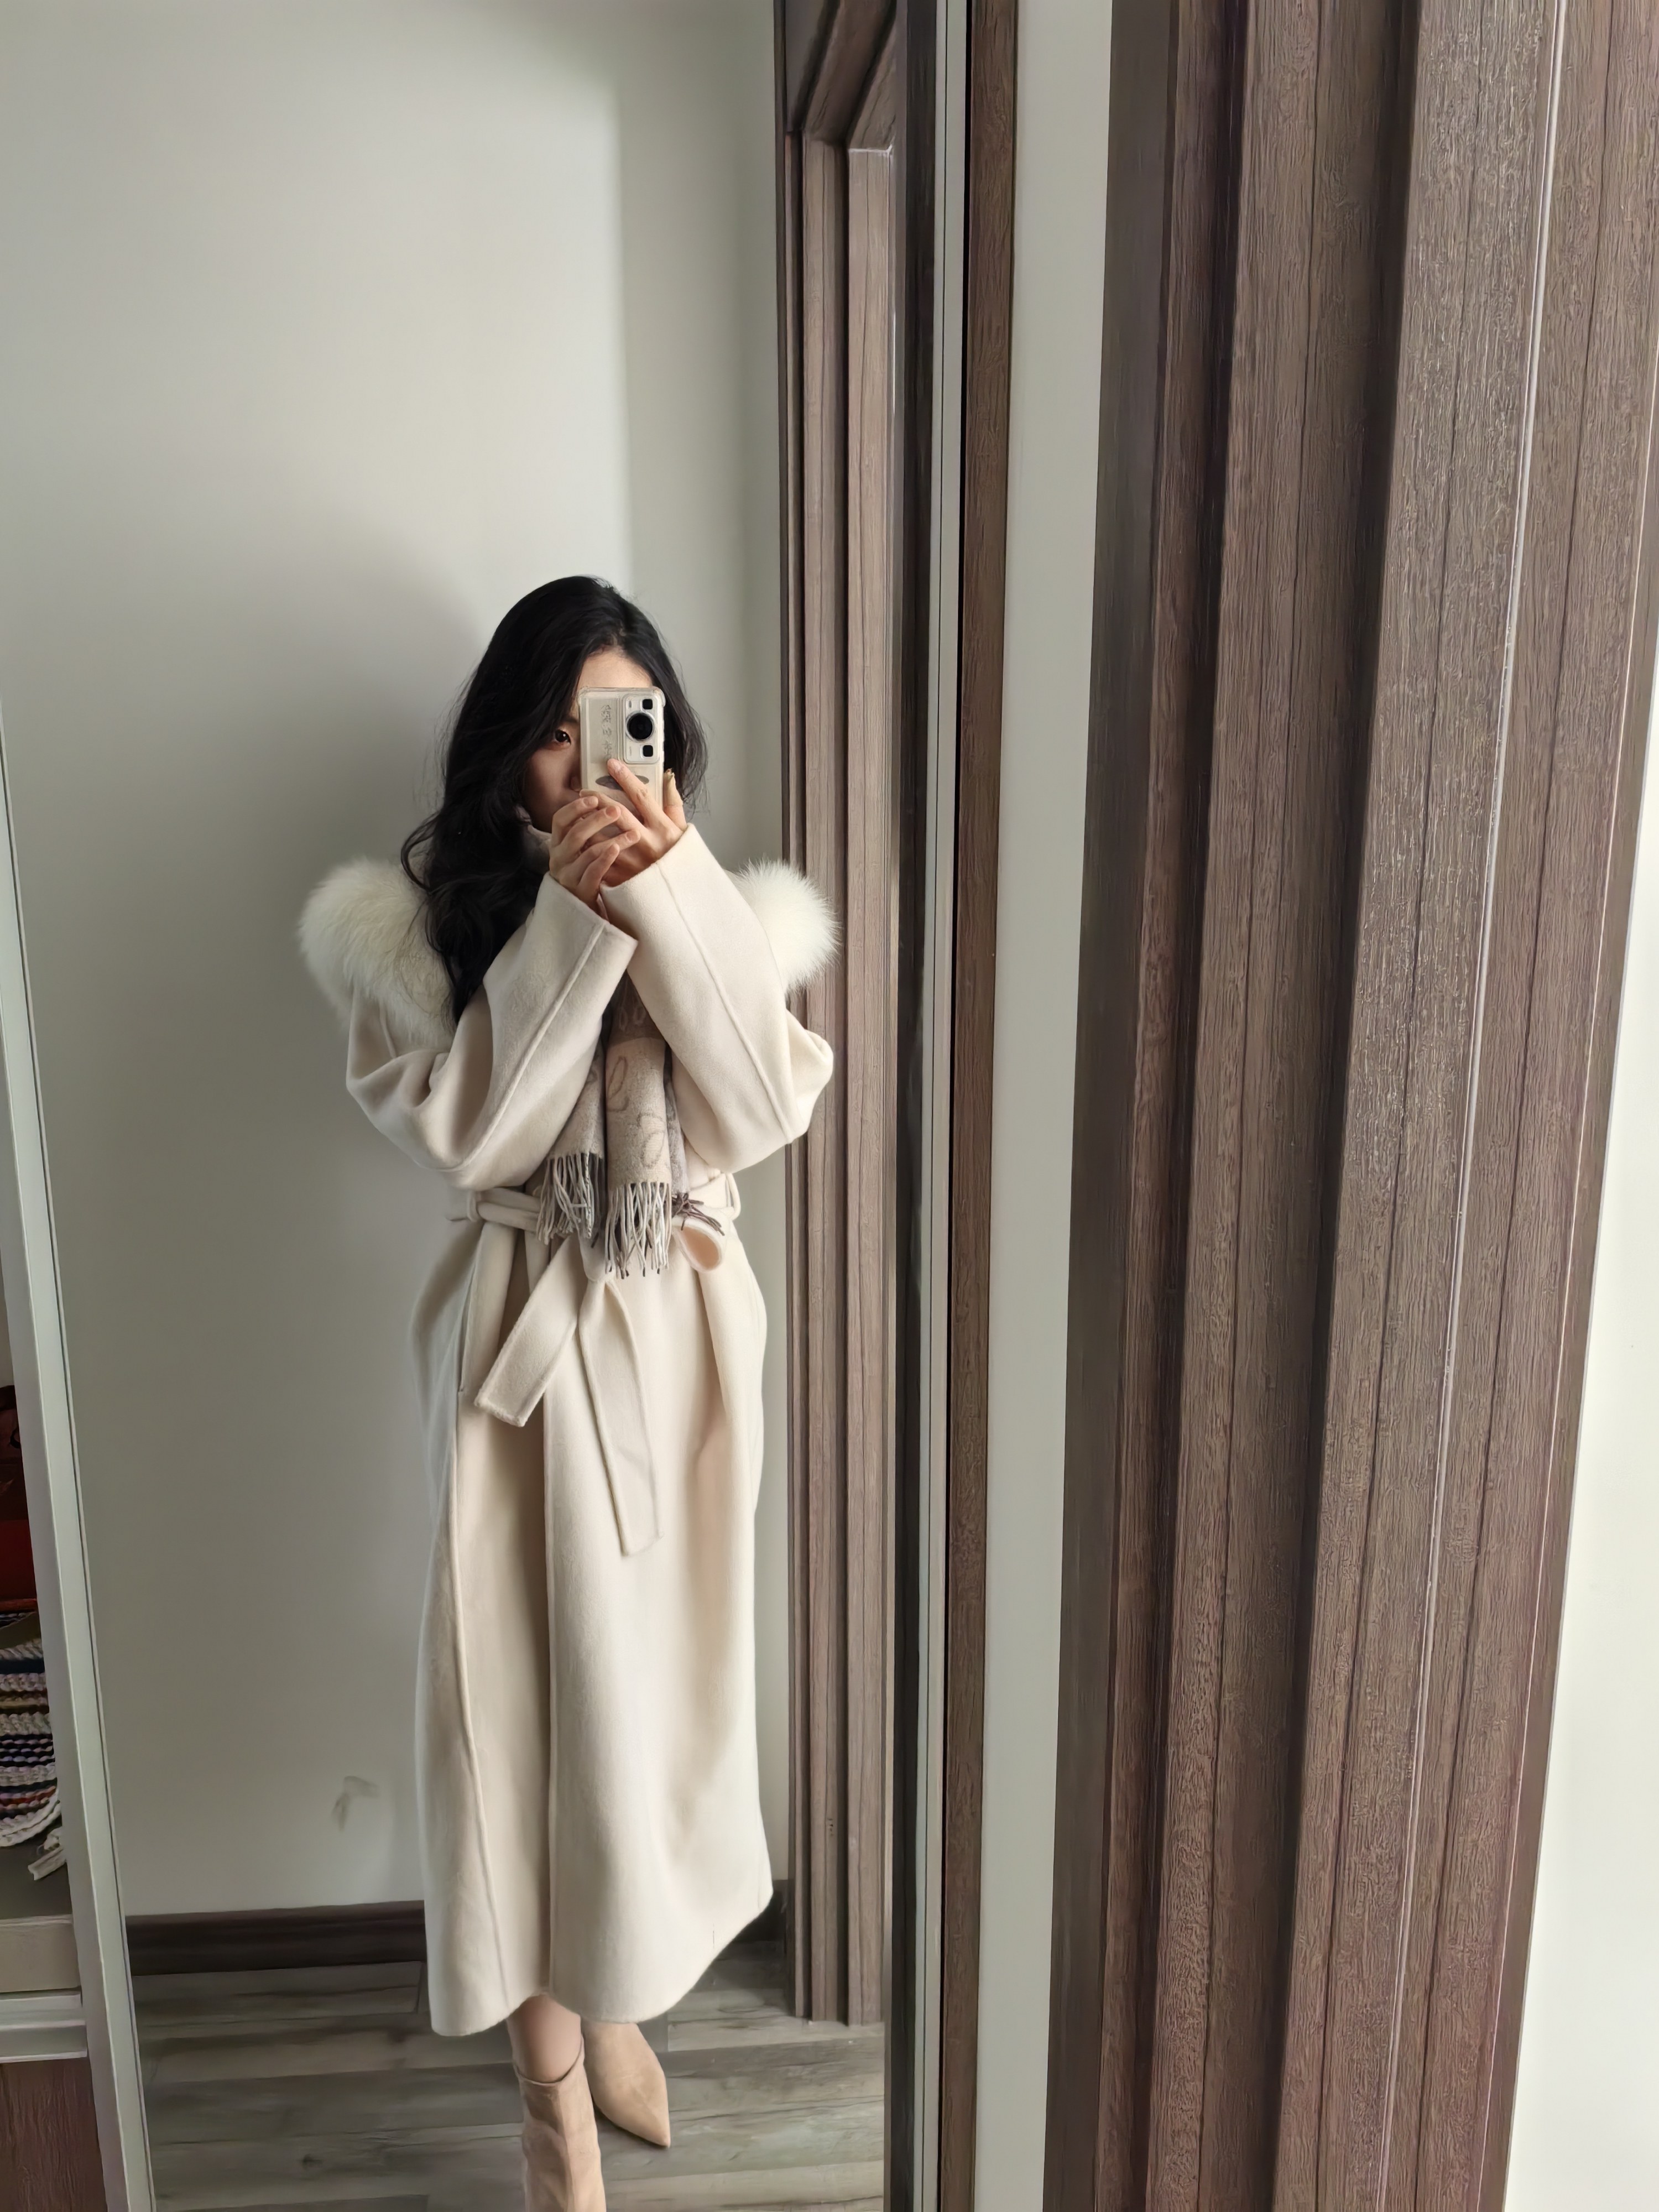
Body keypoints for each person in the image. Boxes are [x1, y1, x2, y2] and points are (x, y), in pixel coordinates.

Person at [300, 577, 834, 2211]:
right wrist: (574, 927)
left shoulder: (728, 911)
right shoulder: (419, 940)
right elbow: (480, 1137)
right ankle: (552, 2100)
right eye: (555, 730)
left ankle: (616, 2008)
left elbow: (760, 1111)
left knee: (647, 1716)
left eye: (620, 723)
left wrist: (668, 897)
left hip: (679, 1362)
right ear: (506, 753)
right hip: (522, 1371)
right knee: (523, 1726)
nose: (589, 761)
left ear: (664, 735)